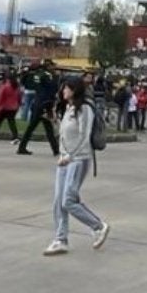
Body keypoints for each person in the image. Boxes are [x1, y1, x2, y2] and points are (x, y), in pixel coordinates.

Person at [42, 77, 109, 256]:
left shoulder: (85, 108)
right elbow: (66, 134)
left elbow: (84, 136)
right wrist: (54, 120)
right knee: (59, 201)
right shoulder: (70, 107)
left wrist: (71, 156)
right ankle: (60, 239)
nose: (63, 91)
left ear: (74, 90)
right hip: (65, 159)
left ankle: (98, 226)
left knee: (68, 200)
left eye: (66, 88)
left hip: (79, 159)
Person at [16, 60, 60, 156]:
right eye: (52, 66)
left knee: (34, 127)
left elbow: (27, 83)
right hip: (45, 103)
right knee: (47, 128)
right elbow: (53, 89)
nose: (54, 68)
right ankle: (56, 150)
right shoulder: (48, 75)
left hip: (37, 102)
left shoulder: (36, 74)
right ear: (48, 66)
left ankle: (22, 147)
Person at [0, 75, 22, 142]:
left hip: (4, 107)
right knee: (12, 122)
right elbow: (19, 97)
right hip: (13, 107)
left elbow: (0, 97)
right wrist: (19, 104)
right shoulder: (16, 87)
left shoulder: (5, 86)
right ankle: (15, 137)